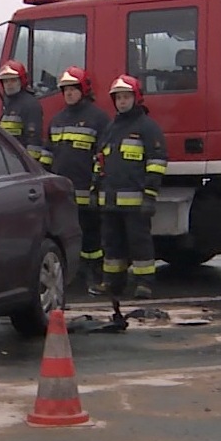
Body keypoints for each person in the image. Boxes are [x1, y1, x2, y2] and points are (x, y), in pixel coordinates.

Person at [89, 74, 167, 299]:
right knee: (111, 245)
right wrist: (95, 190)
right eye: (119, 98)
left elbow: (157, 162)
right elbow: (99, 161)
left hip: (135, 202)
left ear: (136, 98)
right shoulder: (111, 127)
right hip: (110, 200)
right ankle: (113, 283)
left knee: (139, 243)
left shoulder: (147, 127)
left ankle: (144, 284)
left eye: (126, 97)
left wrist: (150, 195)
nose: (122, 102)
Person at [46, 67, 111, 291]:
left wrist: (97, 185)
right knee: (66, 235)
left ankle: (95, 274)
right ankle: (74, 275)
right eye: (66, 90)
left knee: (91, 236)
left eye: (73, 89)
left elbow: (104, 155)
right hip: (62, 194)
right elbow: (48, 154)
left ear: (83, 90)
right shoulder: (57, 120)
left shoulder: (98, 118)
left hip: (87, 190)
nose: (69, 94)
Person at [0, 59, 47, 163]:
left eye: (13, 80)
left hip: (22, 164)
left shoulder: (30, 105)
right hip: (9, 161)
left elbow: (33, 141)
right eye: (5, 81)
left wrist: (30, 165)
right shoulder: (8, 103)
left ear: (21, 81)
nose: (9, 84)